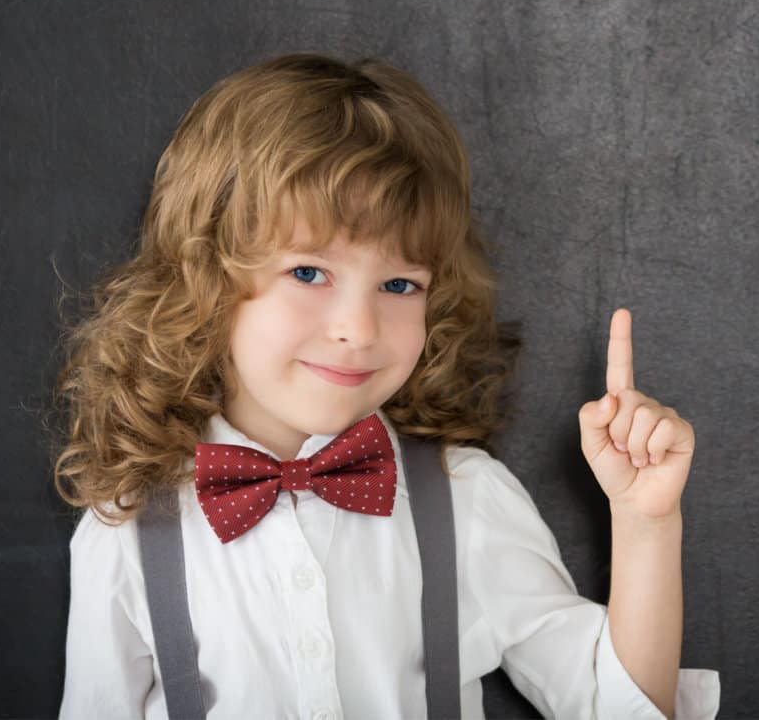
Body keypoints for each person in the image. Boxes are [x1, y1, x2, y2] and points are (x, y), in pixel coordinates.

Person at [51, 51, 720, 719]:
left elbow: (618, 708)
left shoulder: (466, 500)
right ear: (208, 276)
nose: (357, 327)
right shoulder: (126, 532)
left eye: (399, 285)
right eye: (309, 272)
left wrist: (645, 524)